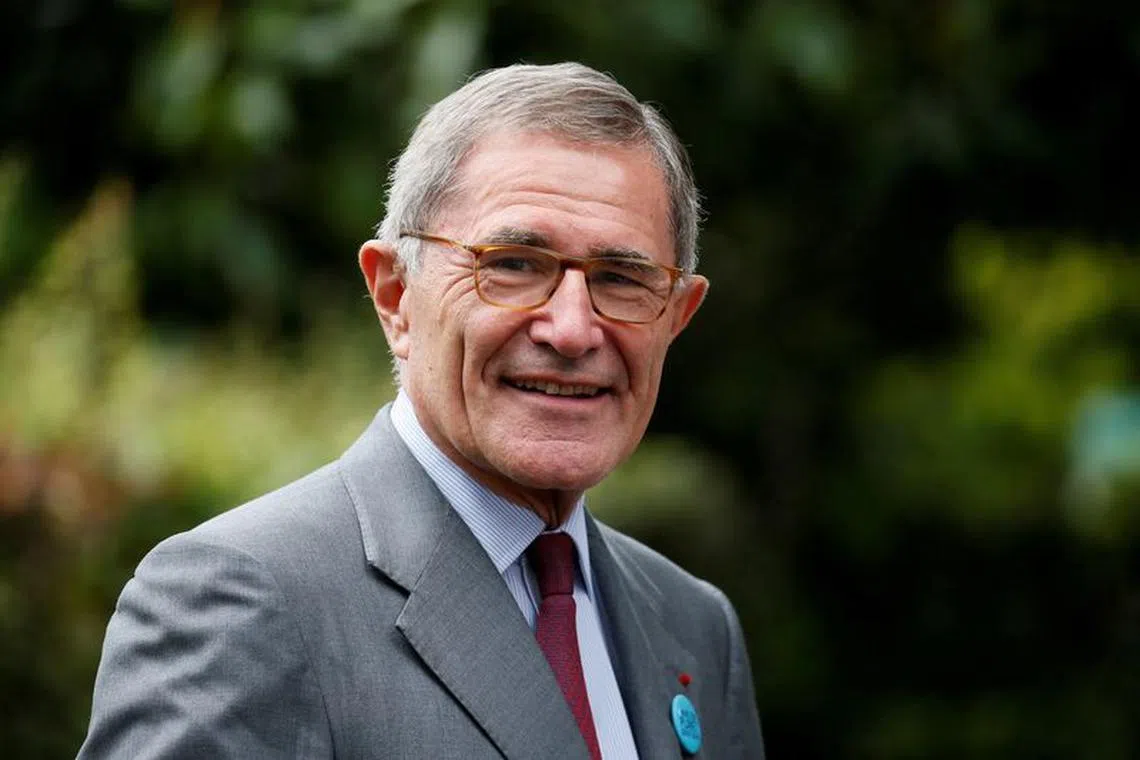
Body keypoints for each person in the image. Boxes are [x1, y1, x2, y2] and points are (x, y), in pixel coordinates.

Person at [78, 62, 765, 759]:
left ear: (677, 316)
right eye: (515, 263)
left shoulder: (695, 629)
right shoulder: (241, 606)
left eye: (621, 279)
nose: (572, 329)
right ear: (395, 297)